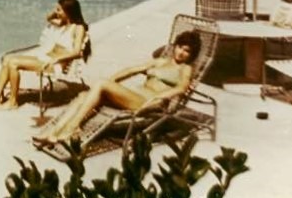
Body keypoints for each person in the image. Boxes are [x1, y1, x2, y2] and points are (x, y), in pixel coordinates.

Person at [32, 30, 202, 145]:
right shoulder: (160, 61)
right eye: (180, 47)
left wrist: (161, 97)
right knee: (84, 95)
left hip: (148, 102)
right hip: (134, 95)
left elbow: (181, 88)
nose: (181, 53)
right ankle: (54, 131)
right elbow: (130, 70)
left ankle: (70, 129)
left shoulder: (185, 69)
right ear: (175, 45)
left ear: (191, 55)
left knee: (99, 86)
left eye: (187, 51)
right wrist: (111, 81)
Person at [0, 0, 90, 109]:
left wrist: (57, 59)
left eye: (59, 10)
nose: (56, 12)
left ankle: (12, 102)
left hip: (55, 64)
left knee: (13, 63)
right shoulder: (63, 24)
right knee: (8, 59)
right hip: (46, 58)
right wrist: (57, 12)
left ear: (68, 11)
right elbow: (49, 18)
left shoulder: (78, 28)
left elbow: (77, 52)